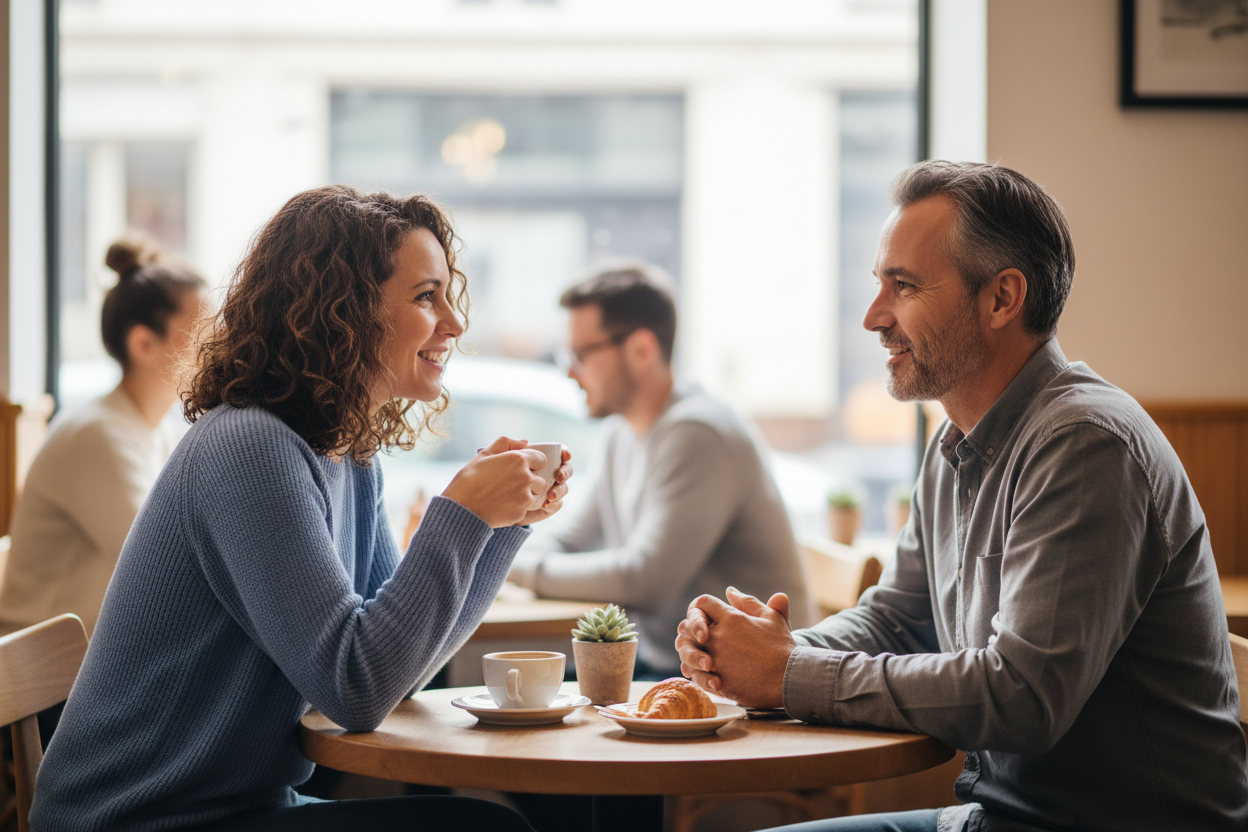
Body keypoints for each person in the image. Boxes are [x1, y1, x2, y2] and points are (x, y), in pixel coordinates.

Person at [676, 161, 1248, 832]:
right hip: (997, 817)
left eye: (904, 286)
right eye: (879, 285)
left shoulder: (1088, 444)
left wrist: (786, 674)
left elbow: (1024, 697)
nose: (873, 317)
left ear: (1002, 299)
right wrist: (763, 652)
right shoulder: (956, 442)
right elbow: (899, 619)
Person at [30, 186, 569, 831]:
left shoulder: (350, 454)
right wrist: (463, 516)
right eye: (426, 296)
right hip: (139, 819)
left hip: (237, 809)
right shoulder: (250, 447)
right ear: (341, 311)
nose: (454, 323)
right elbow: (357, 688)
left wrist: (499, 527)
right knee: (486, 828)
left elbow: (395, 667)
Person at [508, 261, 810, 677]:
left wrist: (513, 564)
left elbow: (643, 580)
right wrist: (525, 556)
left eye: (580, 354)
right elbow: (571, 539)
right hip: (670, 667)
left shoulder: (698, 434)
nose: (568, 370)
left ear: (641, 350)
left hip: (741, 686)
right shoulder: (621, 432)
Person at [0, 235, 207, 640]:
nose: (219, 347)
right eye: (203, 332)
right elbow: (170, 569)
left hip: (87, 673)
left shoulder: (159, 431)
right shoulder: (97, 437)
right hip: (44, 689)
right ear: (143, 343)